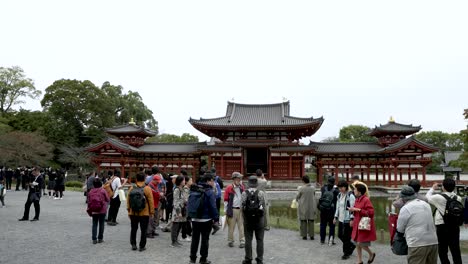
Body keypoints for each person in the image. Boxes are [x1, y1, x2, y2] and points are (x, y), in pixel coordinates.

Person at [396, 186, 438, 264]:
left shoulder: (406, 208)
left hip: (417, 243)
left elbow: (400, 229)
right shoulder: (426, 204)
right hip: (433, 242)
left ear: (403, 198)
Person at [426, 178, 463, 264]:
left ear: (443, 187)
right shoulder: (458, 198)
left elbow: (427, 197)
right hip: (454, 226)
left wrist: (433, 188)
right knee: (455, 250)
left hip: (442, 226)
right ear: (454, 187)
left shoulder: (438, 197)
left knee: (442, 250)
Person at [189, 173, 218, 264]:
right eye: (212, 181)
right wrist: (216, 218)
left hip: (195, 218)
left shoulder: (194, 189)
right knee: (205, 239)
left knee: (195, 239)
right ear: (208, 181)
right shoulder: (209, 191)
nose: (214, 183)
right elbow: (213, 206)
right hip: (206, 219)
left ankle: (192, 258)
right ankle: (203, 259)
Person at [126, 172, 155, 251]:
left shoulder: (132, 188)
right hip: (144, 213)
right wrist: (152, 212)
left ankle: (133, 244)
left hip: (133, 212)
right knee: (143, 230)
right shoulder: (147, 188)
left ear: (136, 179)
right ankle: (142, 246)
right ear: (144, 179)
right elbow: (151, 201)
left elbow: (128, 200)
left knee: (133, 229)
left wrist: (129, 210)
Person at [349, 183, 376, 264]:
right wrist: (352, 212)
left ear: (359, 192)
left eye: (355, 190)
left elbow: (371, 213)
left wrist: (359, 210)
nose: (353, 191)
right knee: (357, 243)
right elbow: (356, 211)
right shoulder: (357, 199)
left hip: (363, 224)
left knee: (360, 243)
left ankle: (371, 253)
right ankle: (359, 261)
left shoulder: (366, 200)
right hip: (357, 224)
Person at [241, 176, 266, 264]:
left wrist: (244, 219)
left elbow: (242, 208)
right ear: (256, 184)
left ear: (248, 183)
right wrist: (265, 222)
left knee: (248, 240)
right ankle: (259, 259)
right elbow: (264, 208)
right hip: (259, 220)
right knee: (260, 240)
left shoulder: (244, 193)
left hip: (248, 220)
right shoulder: (261, 193)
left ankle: (248, 258)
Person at [333, 180, 356, 260]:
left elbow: (352, 209)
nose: (341, 189)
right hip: (341, 219)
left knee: (346, 237)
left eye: (342, 187)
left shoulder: (350, 196)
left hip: (348, 219)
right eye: (339, 187)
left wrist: (351, 219)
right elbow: (337, 207)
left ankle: (346, 253)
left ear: (346, 187)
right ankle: (351, 245)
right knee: (340, 235)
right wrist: (335, 217)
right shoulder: (339, 195)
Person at [224, 171, 245, 248]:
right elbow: (226, 200)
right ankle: (230, 240)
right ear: (234, 179)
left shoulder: (242, 187)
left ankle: (242, 241)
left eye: (240, 178)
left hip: (241, 209)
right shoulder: (229, 188)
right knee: (231, 226)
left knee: (241, 226)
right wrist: (226, 210)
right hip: (232, 209)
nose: (239, 180)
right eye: (238, 178)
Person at [87, 178, 110, 244]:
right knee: (101, 224)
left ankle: (94, 239)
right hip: (102, 210)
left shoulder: (91, 191)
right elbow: (108, 199)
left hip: (94, 210)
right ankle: (100, 238)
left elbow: (88, 201)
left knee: (94, 224)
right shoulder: (103, 190)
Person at [318, 175, 339, 245]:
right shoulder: (336, 191)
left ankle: (322, 240)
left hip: (323, 209)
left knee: (323, 225)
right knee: (332, 225)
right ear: (334, 182)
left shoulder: (323, 188)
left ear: (327, 181)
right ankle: (331, 240)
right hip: (332, 210)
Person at [296, 176, 316, 240]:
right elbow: (314, 195)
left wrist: (297, 200)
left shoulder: (301, 188)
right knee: (311, 220)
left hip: (303, 206)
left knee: (303, 221)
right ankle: (312, 235)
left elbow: (297, 197)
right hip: (311, 206)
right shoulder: (313, 188)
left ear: (303, 181)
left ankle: (304, 235)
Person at [171, 175, 187, 247]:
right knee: (175, 226)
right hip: (177, 211)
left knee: (179, 225)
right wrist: (178, 212)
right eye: (183, 180)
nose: (184, 181)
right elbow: (176, 201)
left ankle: (176, 239)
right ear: (180, 181)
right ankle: (173, 241)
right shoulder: (177, 190)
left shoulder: (182, 189)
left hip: (182, 209)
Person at [147, 173, 161, 238]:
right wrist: (160, 194)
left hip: (155, 204)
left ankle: (153, 231)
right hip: (151, 205)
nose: (158, 183)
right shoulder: (150, 186)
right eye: (157, 181)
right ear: (154, 180)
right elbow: (155, 194)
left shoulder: (155, 185)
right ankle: (149, 232)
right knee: (151, 219)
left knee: (155, 218)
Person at [182, 174, 193, 241]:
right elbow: (186, 199)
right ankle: (185, 235)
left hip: (188, 207)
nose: (192, 181)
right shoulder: (185, 189)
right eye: (191, 180)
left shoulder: (189, 188)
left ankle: (188, 234)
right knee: (186, 222)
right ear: (187, 182)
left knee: (188, 221)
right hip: (186, 207)